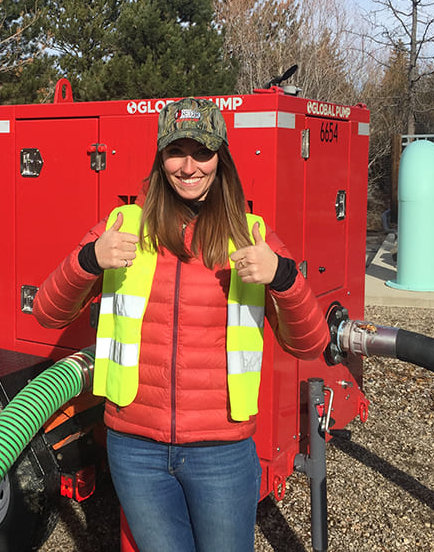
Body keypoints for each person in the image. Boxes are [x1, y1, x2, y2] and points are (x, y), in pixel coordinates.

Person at [33, 97, 330, 552]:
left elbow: (311, 343)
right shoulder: (123, 226)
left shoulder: (251, 235)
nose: (188, 166)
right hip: (136, 450)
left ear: (221, 159)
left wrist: (284, 277)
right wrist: (89, 259)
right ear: (160, 157)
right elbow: (48, 312)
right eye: (176, 151)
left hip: (222, 452)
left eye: (202, 152)